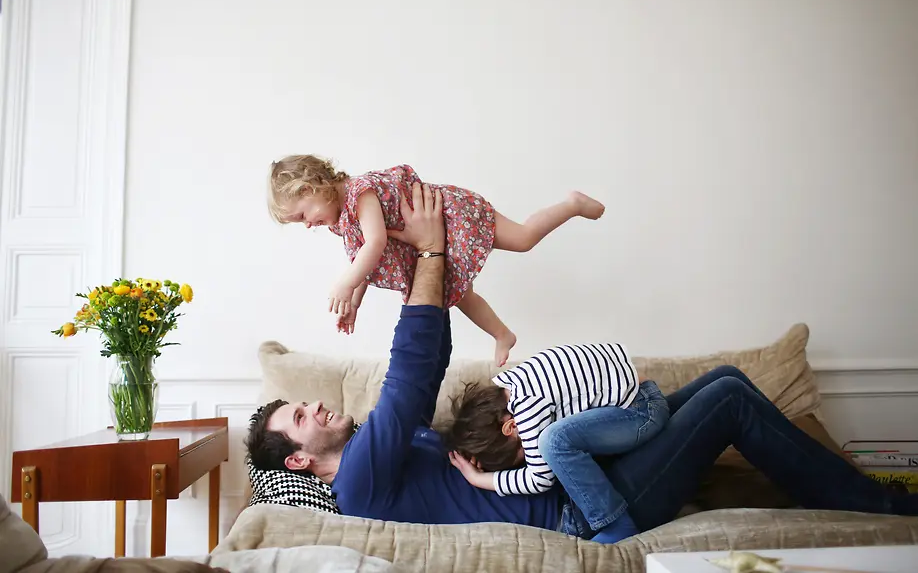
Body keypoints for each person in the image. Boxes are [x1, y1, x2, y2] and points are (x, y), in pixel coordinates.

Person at [245, 182, 918, 543]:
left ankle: (844, 496)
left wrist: (437, 267)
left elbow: (430, 358)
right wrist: (428, 254)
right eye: (302, 416)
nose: (318, 407)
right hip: (579, 509)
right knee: (729, 401)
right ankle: (882, 509)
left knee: (726, 382)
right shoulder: (359, 480)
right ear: (301, 459)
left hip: (582, 475)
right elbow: (411, 374)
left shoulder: (378, 450)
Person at [266, 155, 605, 366]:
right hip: (426, 243)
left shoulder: (360, 192)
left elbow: (377, 242)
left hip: (450, 215)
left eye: (303, 215)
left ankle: (572, 204)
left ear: (315, 186)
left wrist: (344, 282)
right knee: (457, 295)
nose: (308, 225)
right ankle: (503, 334)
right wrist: (354, 303)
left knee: (523, 239)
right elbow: (364, 260)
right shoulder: (341, 221)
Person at [443, 343, 669, 544]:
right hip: (639, 396)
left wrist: (479, 479)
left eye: (520, 454)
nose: (528, 457)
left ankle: (615, 525)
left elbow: (539, 479)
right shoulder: (513, 381)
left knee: (552, 443)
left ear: (510, 428)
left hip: (641, 412)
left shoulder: (526, 410)